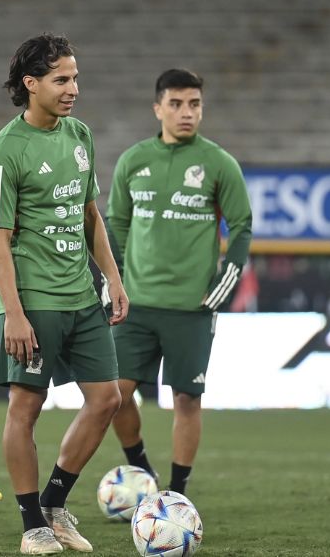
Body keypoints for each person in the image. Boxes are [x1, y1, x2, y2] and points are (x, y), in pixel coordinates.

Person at [0, 34, 129, 555]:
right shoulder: (5, 153)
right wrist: (13, 313)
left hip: (82, 294)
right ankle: (31, 525)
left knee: (106, 398)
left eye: (75, 78)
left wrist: (111, 276)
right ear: (31, 84)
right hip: (34, 298)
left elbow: (90, 214)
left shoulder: (80, 135)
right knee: (26, 406)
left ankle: (54, 502)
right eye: (61, 79)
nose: (73, 89)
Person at [106, 68, 252, 495]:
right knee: (113, 397)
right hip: (136, 304)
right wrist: (116, 277)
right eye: (176, 104)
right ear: (158, 108)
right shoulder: (134, 160)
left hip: (192, 306)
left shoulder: (218, 163)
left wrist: (227, 277)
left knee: (187, 400)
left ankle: (175, 495)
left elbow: (242, 225)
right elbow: (116, 222)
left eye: (194, 104)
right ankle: (142, 471)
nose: (186, 112)